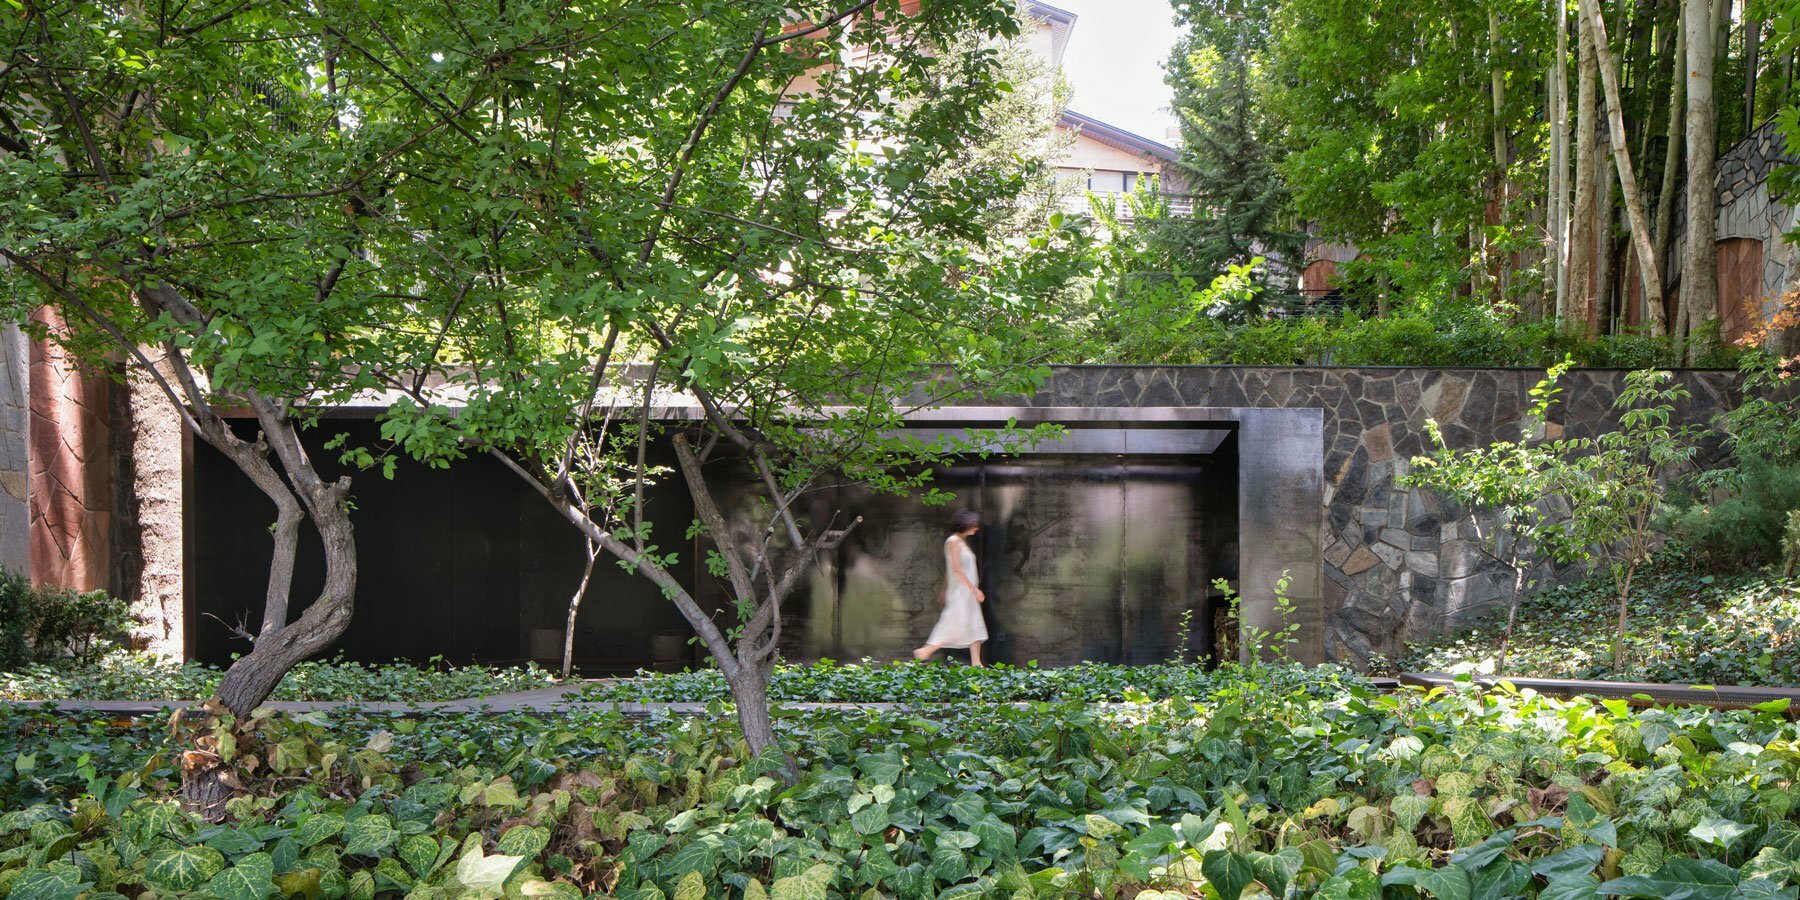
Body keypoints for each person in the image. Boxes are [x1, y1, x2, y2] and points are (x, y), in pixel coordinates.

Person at [913, 508, 988, 666]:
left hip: (966, 592)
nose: (976, 527)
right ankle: (925, 651)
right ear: (965, 524)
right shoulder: (953, 541)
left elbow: (951, 571)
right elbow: (955, 569)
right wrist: (974, 590)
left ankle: (977, 663)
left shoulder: (960, 542)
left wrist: (944, 589)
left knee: (973, 623)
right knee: (953, 624)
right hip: (962, 592)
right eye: (974, 524)